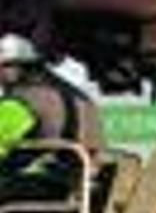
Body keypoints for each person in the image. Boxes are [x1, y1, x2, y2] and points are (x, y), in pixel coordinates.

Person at [0, 33, 104, 197]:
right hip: (81, 188)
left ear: (14, 68)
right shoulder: (81, 98)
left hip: (45, 186)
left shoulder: (22, 100)